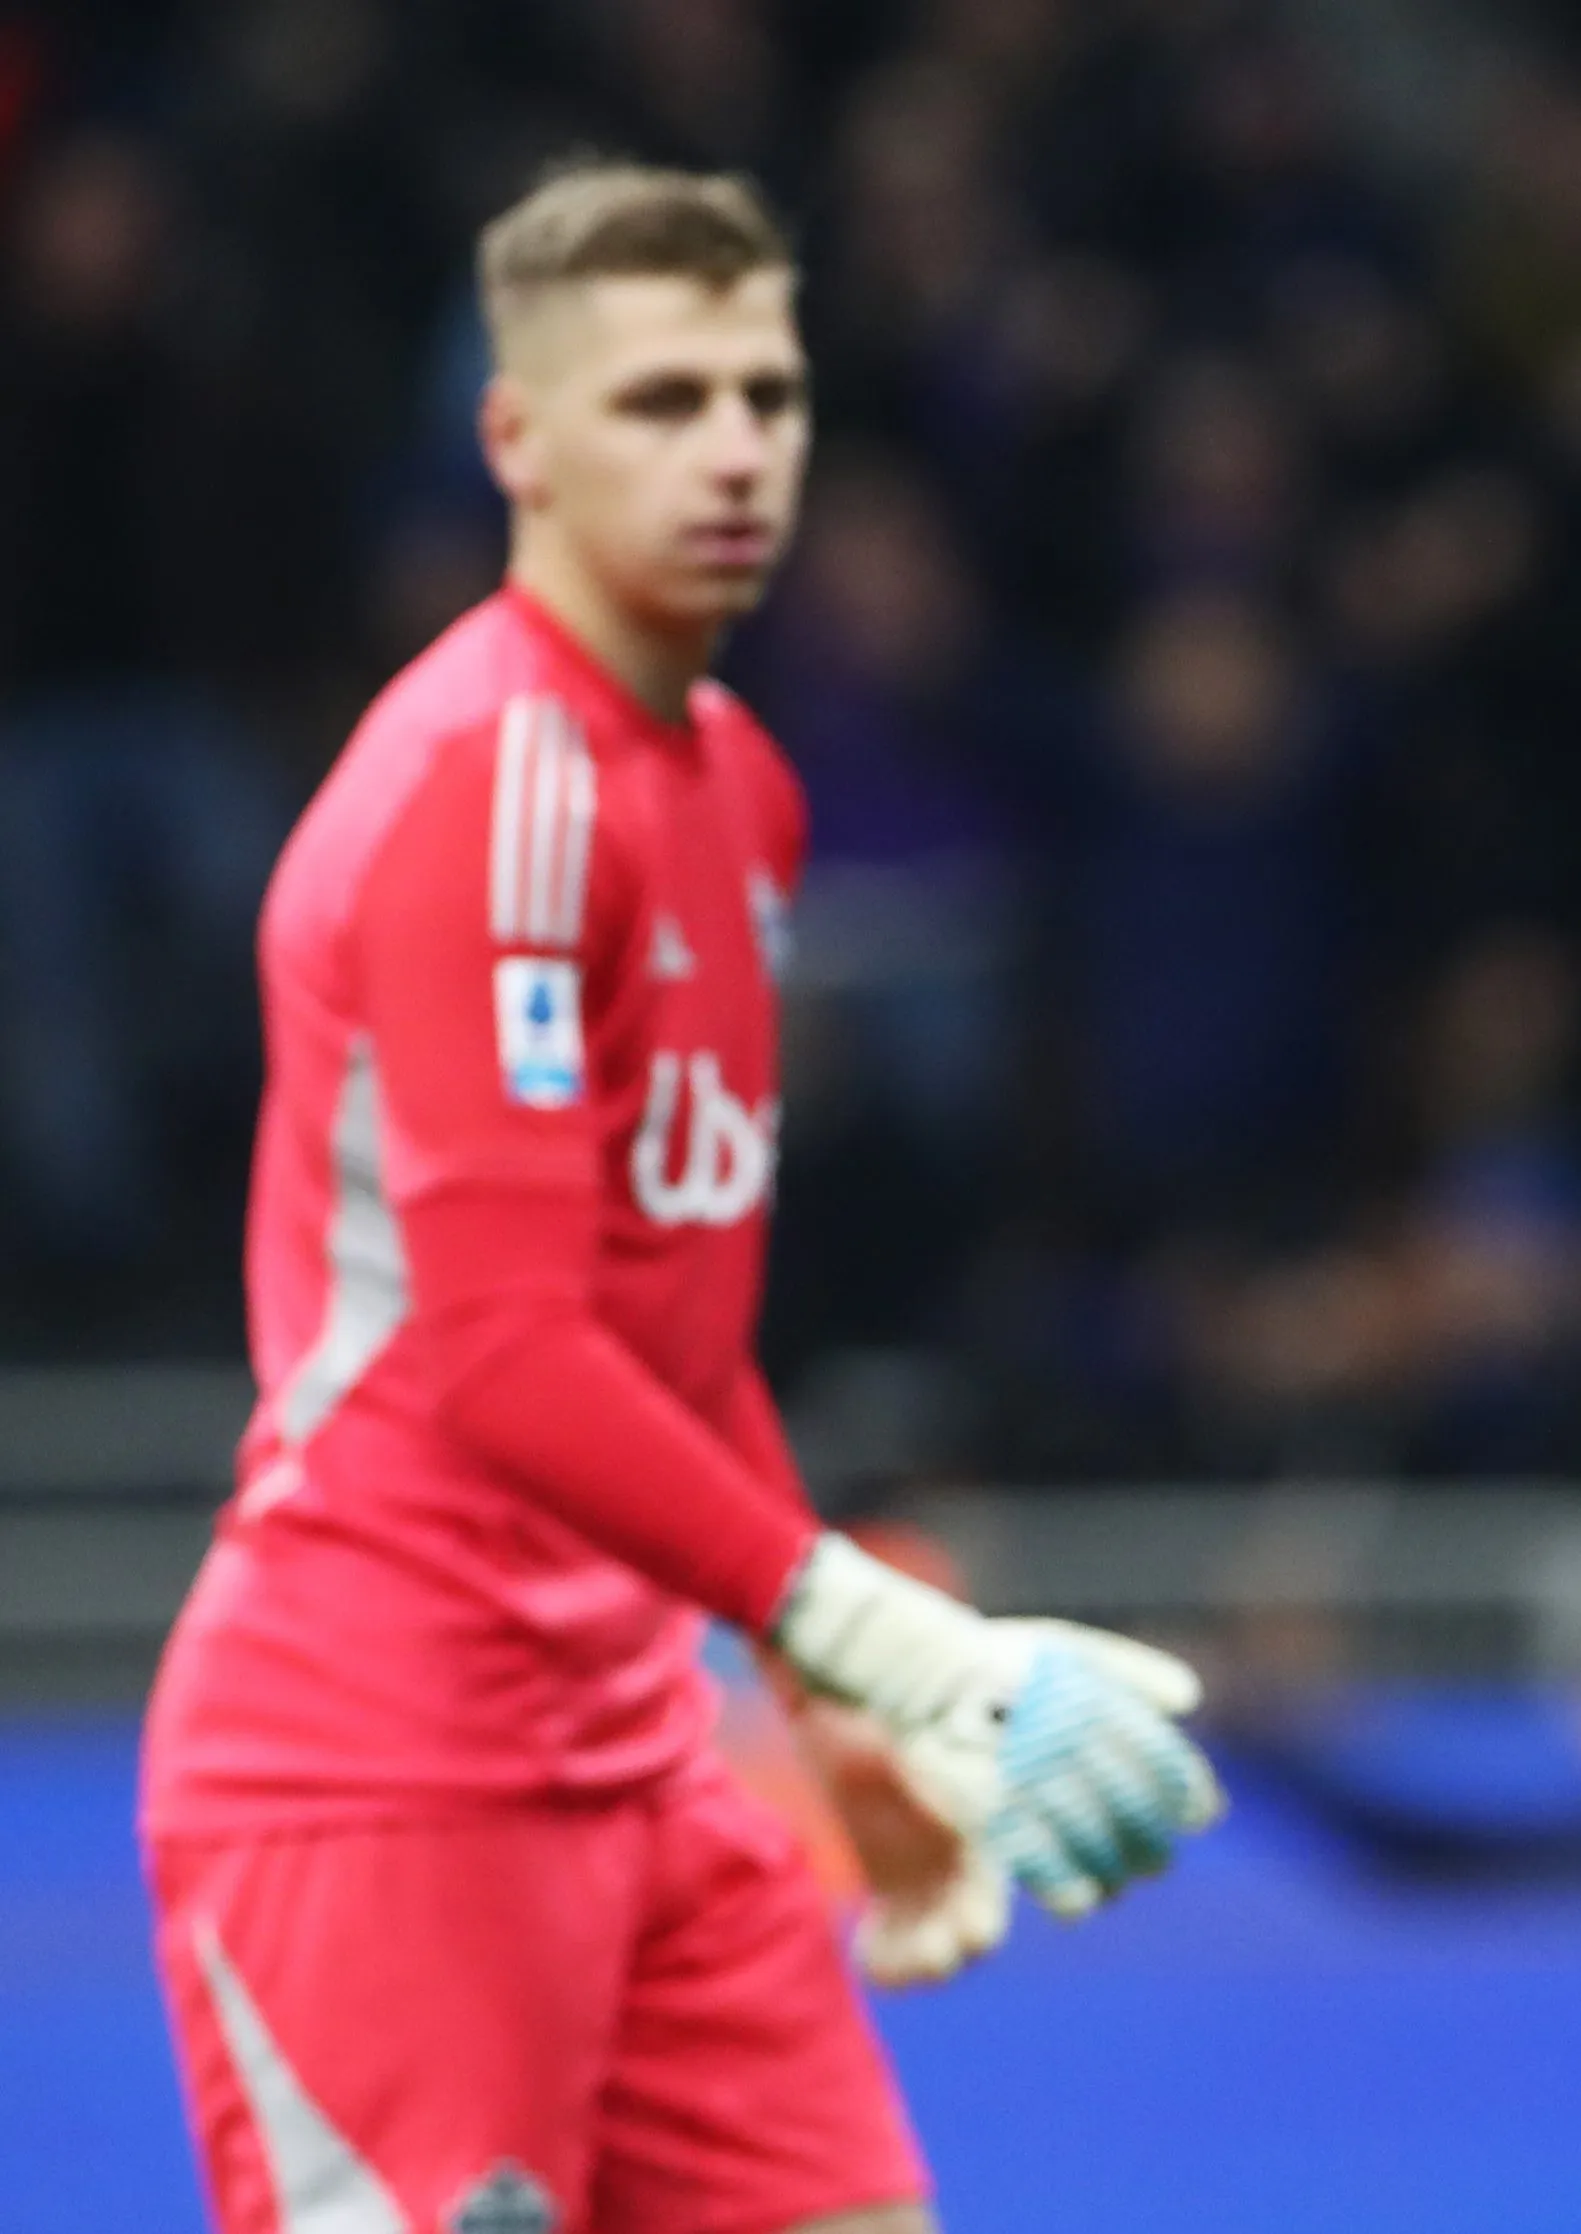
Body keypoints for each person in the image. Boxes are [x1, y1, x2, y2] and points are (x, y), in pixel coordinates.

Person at [137, 162, 1223, 2234]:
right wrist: (910, 1648)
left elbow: (674, 1338)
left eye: (766, 393)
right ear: (515, 441)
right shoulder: (491, 790)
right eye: (660, 401)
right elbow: (508, 1356)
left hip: (641, 1754)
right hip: (382, 1771)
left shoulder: (737, 784)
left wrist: (821, 1711)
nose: (733, 449)